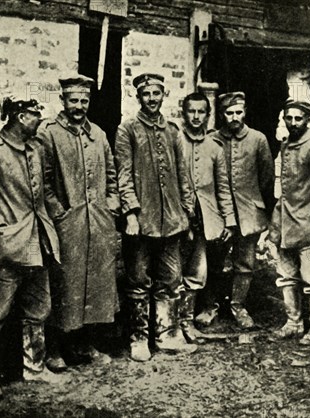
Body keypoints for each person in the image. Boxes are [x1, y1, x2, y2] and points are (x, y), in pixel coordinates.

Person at [0, 96, 66, 399]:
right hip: (4, 248)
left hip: (37, 244)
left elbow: (43, 192)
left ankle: (34, 369)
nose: (39, 119)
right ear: (20, 117)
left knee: (38, 308)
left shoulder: (36, 149)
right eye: (35, 114)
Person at [38, 74, 119, 370]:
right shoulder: (48, 134)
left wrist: (111, 204)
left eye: (84, 100)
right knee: (64, 285)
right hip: (66, 224)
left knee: (93, 284)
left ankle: (85, 344)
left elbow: (111, 174)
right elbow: (43, 182)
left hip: (97, 223)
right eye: (74, 100)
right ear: (63, 100)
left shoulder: (98, 134)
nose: (79, 106)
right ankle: (55, 349)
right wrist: (59, 212)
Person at [115, 72, 197, 362]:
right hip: (142, 222)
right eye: (146, 94)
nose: (152, 99)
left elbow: (183, 176)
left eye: (156, 94)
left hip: (172, 221)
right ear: (138, 97)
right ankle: (139, 338)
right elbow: (123, 176)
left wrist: (186, 212)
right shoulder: (127, 130)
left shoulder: (173, 132)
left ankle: (166, 334)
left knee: (172, 278)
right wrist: (131, 213)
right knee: (138, 280)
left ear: (164, 96)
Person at [267, 98, 310, 345]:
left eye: (299, 118)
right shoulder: (286, 145)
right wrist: (275, 225)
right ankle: (293, 322)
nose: (293, 123)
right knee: (286, 276)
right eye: (289, 118)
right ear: (283, 119)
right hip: (286, 223)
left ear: (308, 120)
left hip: (308, 224)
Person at [203, 92, 275, 329]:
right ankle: (210, 306)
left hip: (249, 213)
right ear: (222, 114)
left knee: (245, 263)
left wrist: (255, 203)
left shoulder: (258, 139)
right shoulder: (211, 139)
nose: (234, 117)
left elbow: (266, 178)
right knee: (214, 261)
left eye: (238, 112)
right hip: (219, 213)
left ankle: (238, 306)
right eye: (229, 113)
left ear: (245, 112)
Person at [178, 92, 235, 342]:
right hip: (177, 218)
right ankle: (168, 325)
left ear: (208, 115)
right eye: (191, 111)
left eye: (202, 112)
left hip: (205, 219)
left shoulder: (214, 147)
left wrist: (229, 219)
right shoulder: (175, 141)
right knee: (172, 272)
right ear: (184, 113)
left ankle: (186, 322)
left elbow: (222, 186)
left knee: (197, 271)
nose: (196, 116)